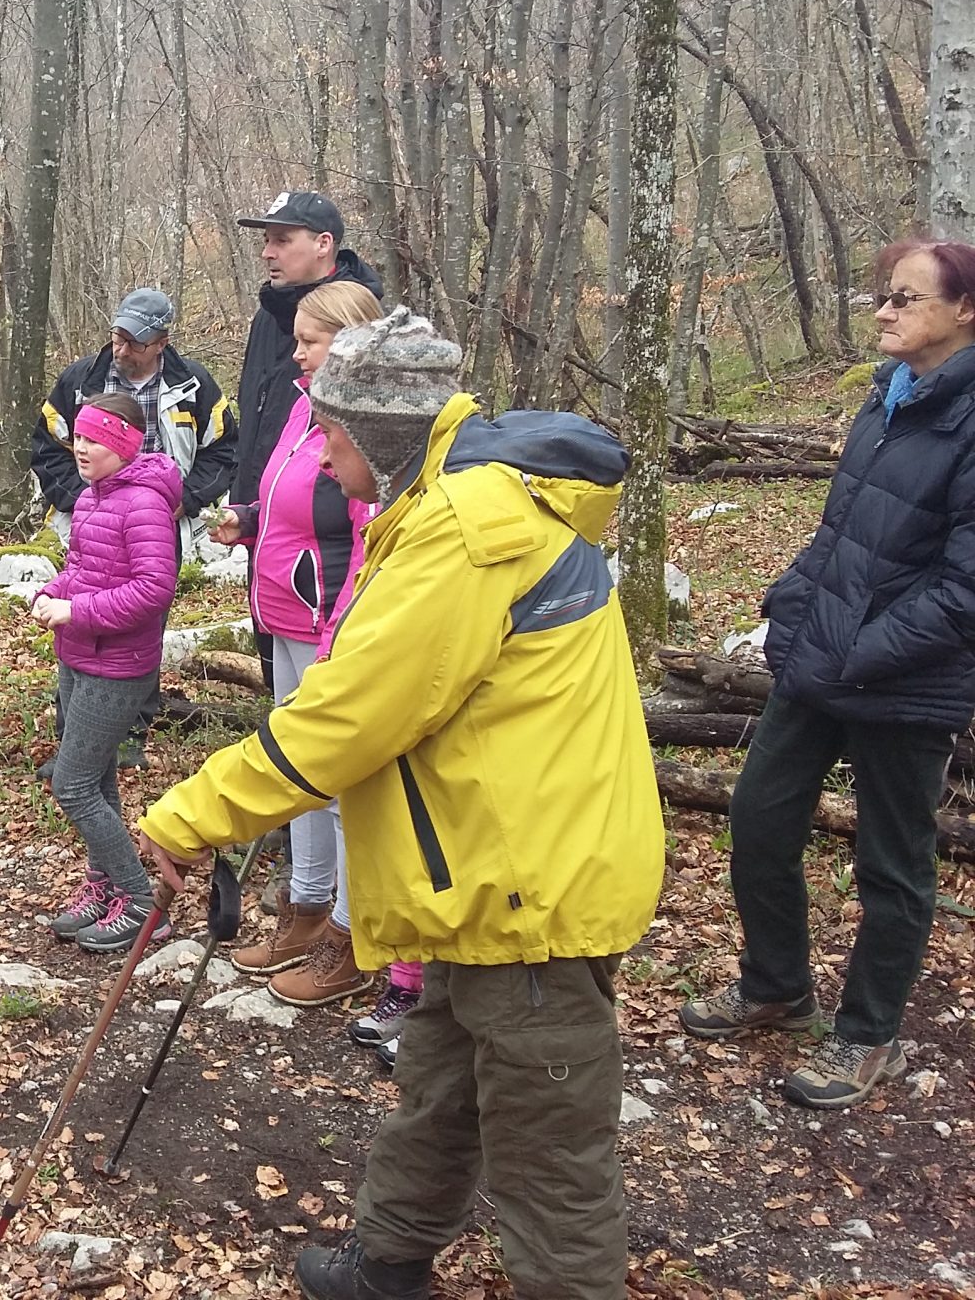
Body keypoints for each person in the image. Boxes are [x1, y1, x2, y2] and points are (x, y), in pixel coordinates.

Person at [135, 309, 663, 1300]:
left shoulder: (463, 536)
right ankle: (386, 1263)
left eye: (328, 435)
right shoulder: (433, 509)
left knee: (550, 1161)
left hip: (527, 888)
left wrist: (187, 817)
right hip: (475, 877)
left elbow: (342, 721)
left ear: (378, 434)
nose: (319, 458)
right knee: (437, 1089)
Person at [680, 237, 975, 1110]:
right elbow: (842, 531)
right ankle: (776, 984)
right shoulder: (887, 401)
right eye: (885, 296)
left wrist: (862, 652)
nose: (884, 311)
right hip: (826, 660)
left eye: (906, 299)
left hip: (905, 681)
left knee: (893, 864)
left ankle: (867, 1034)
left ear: (965, 312)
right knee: (760, 817)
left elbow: (965, 591)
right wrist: (793, 600)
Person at [209, 281, 389, 1010]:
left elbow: (368, 530)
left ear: (347, 341)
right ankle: (307, 905)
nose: (296, 351)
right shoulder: (301, 402)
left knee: (341, 778)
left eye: (310, 339)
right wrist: (250, 520)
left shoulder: (373, 422)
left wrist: (339, 625)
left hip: (332, 622)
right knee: (296, 768)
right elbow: (291, 489)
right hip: (283, 609)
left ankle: (351, 933)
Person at [31, 287, 237, 772]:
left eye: (133, 342)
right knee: (78, 622)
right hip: (93, 523)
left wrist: (182, 501)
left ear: (161, 342)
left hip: (158, 523)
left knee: (143, 623)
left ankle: (128, 735)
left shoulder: (194, 386)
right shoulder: (82, 380)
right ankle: (75, 741)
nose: (121, 349)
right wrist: (78, 497)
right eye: (116, 337)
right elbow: (46, 445)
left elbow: (224, 451)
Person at [35, 394, 182, 954]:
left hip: (116, 666)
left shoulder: (141, 503)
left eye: (93, 439)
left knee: (71, 785)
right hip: (78, 655)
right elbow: (83, 568)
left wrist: (78, 611)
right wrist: (54, 592)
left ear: (122, 443)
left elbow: (153, 589)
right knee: (96, 780)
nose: (79, 447)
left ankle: (143, 903)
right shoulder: (97, 496)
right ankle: (105, 887)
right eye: (77, 437)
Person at [231, 191, 385, 700]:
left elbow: (370, 527)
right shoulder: (269, 316)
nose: (267, 253)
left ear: (323, 244)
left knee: (320, 718)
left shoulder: (359, 339)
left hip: (326, 592)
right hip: (272, 535)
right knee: (282, 699)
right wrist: (250, 509)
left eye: (281, 240)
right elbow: (263, 423)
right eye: (265, 241)